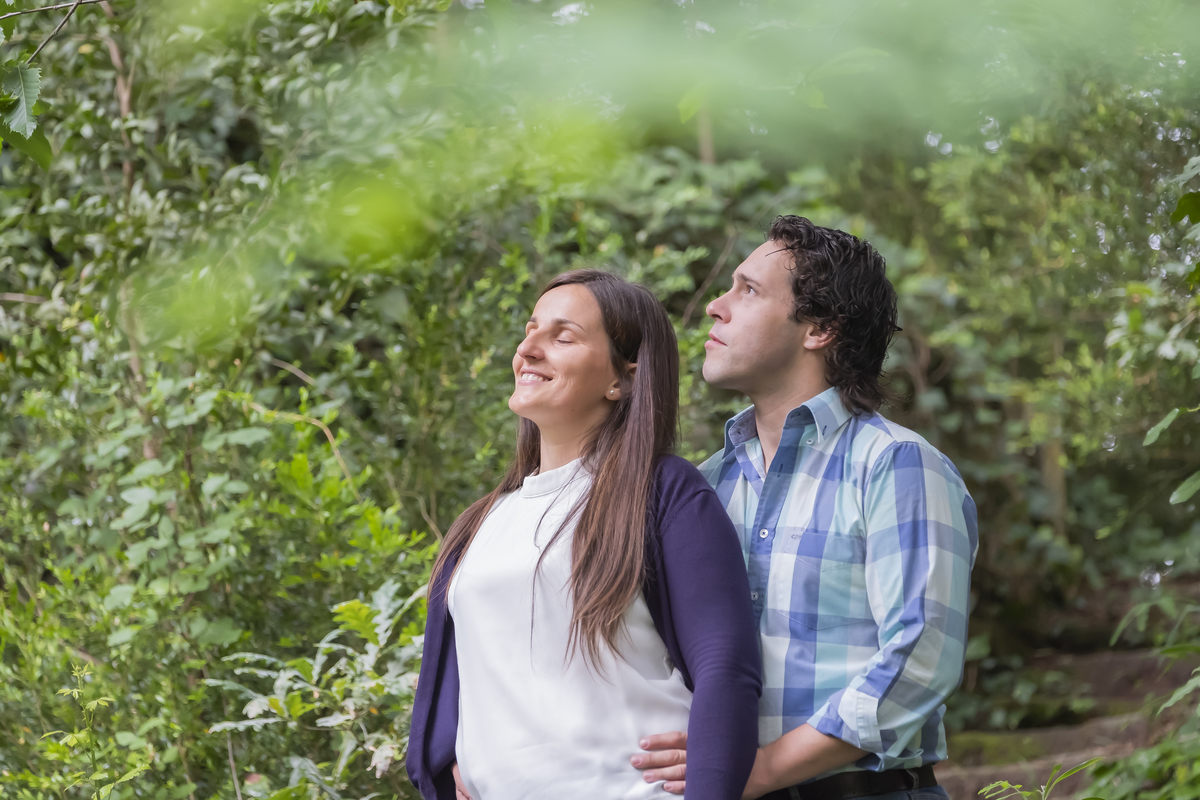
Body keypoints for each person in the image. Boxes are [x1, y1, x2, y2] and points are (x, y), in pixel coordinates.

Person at [632, 216, 979, 800]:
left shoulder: (895, 465)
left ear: (819, 328)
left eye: (748, 290)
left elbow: (920, 661)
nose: (716, 306)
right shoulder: (703, 487)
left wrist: (763, 769)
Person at [406, 269, 763, 800]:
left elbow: (725, 668)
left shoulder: (662, 491)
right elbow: (466, 690)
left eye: (563, 337)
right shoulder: (480, 523)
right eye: (530, 330)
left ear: (623, 379)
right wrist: (457, 761)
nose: (528, 349)